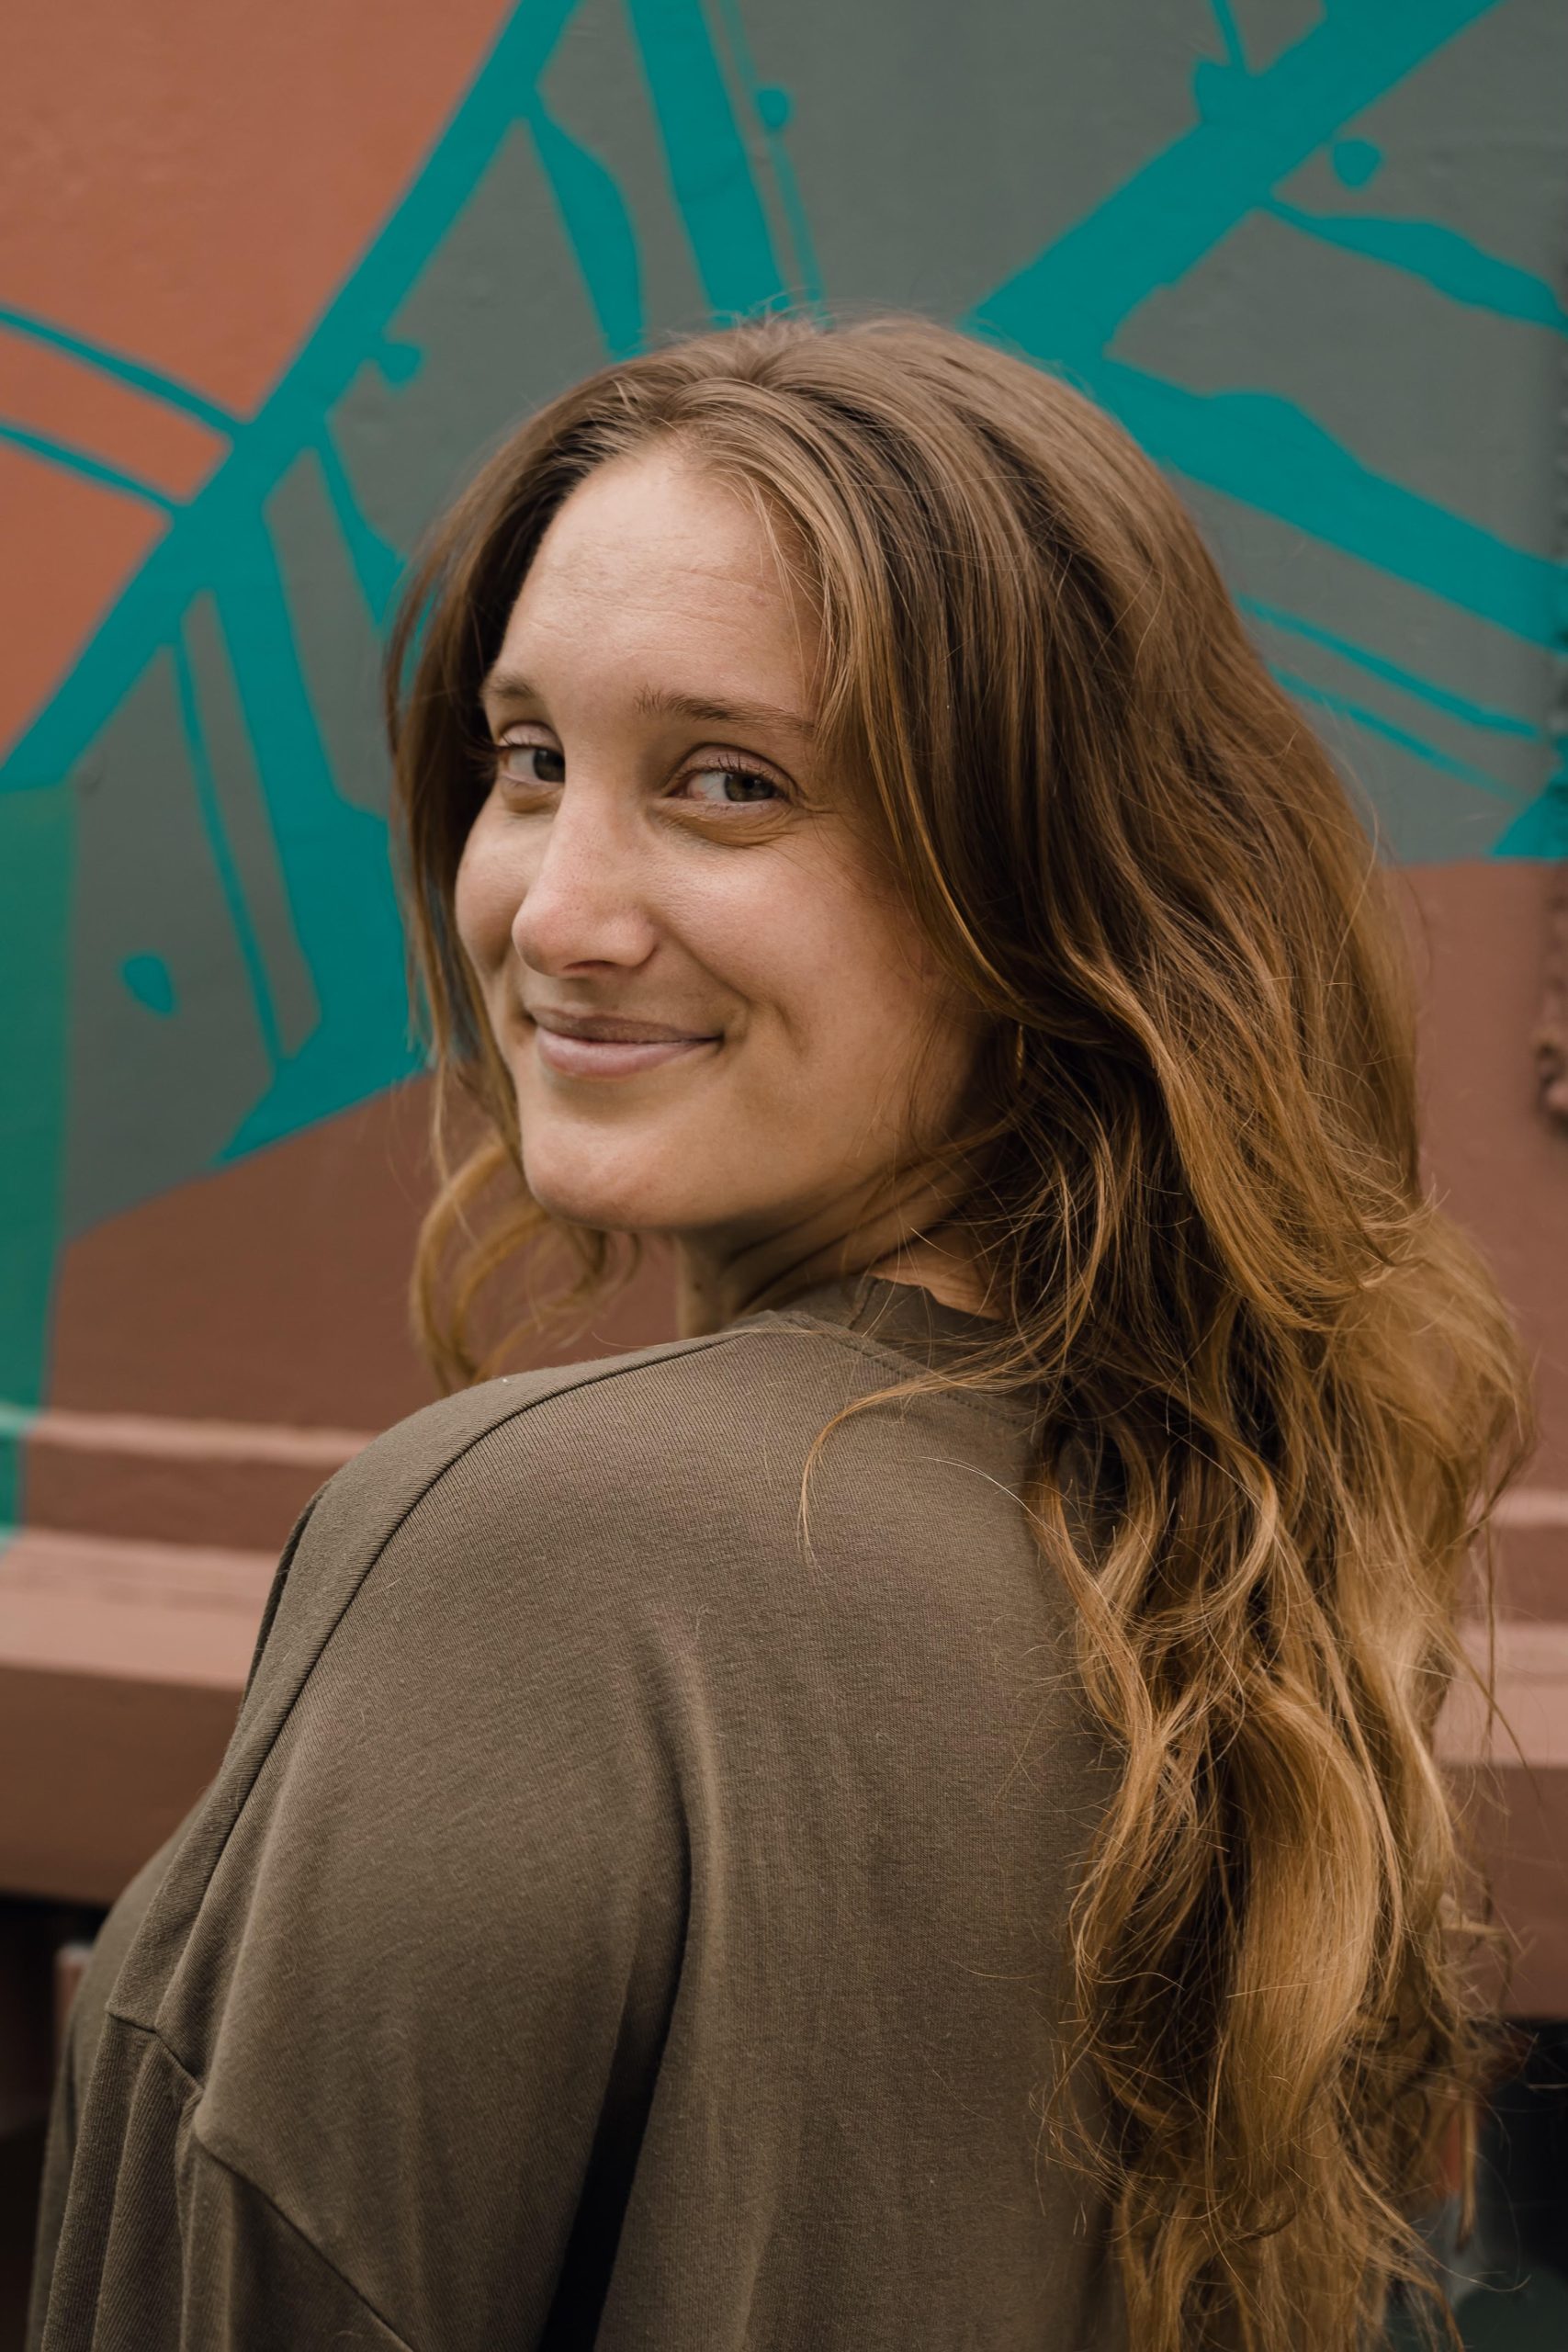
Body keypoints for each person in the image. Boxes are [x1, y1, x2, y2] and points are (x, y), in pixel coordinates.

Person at [27, 314, 1534, 2352]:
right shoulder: (1213, 1576)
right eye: (529, 761)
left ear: (1044, 886)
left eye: (729, 784)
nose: (554, 911)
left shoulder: (551, 1552)